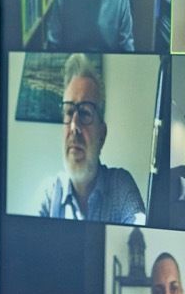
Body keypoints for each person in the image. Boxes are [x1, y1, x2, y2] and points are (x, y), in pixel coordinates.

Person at [36, 53, 146, 223]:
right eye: (69, 112)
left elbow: (138, 228)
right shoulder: (48, 195)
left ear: (102, 135)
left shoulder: (120, 186)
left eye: (85, 113)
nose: (74, 126)